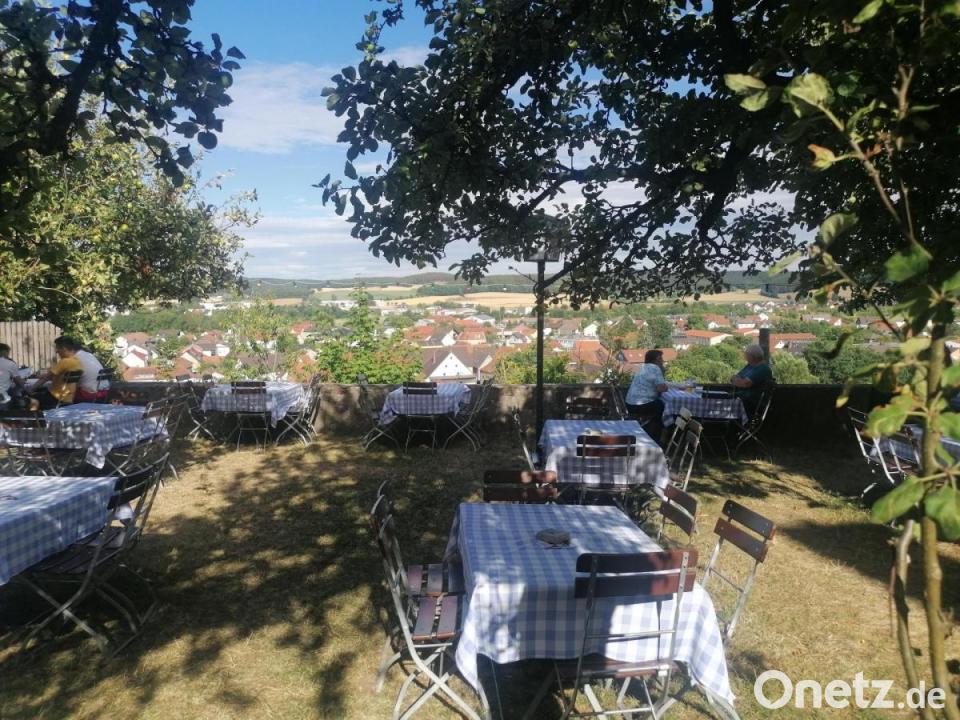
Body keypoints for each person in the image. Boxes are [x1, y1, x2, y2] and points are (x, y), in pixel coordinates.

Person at [30, 336, 84, 409]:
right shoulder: (78, 362)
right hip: (69, 399)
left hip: (55, 398)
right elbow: (59, 378)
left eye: (58, 348)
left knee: (30, 399)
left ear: (64, 348)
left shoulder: (64, 362)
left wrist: (31, 389)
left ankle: (34, 416)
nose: (56, 351)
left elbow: (46, 378)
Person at [625, 349, 669, 440]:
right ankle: (655, 437)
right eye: (662, 359)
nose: (663, 361)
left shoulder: (642, 366)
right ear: (657, 359)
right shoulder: (655, 368)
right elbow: (661, 388)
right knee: (660, 405)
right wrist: (663, 373)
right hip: (640, 406)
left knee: (658, 404)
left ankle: (650, 431)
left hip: (629, 404)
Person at [731, 344, 774, 417]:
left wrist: (737, 381)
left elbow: (745, 384)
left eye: (746, 354)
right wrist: (738, 380)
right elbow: (733, 377)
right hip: (742, 399)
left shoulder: (763, 369)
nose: (744, 356)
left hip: (752, 404)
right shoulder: (749, 366)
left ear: (752, 356)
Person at [0, 342, 24, 408]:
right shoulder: (10, 363)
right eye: (8, 352)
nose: (8, 354)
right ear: (4, 352)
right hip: (3, 395)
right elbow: (19, 382)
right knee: (19, 389)